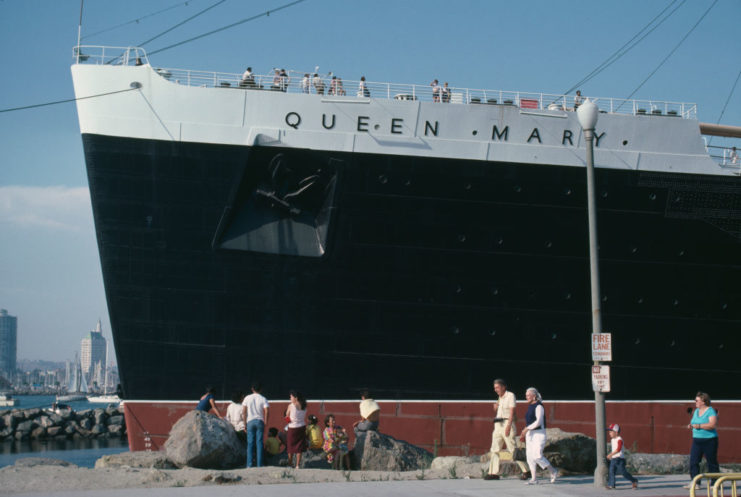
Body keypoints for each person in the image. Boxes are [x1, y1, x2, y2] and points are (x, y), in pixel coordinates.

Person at [484, 379, 529, 480]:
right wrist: (495, 408)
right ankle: (493, 473)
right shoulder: (499, 397)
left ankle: (526, 470)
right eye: (494, 388)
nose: (495, 390)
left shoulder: (510, 395)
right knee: (494, 449)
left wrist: (509, 426)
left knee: (512, 449)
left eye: (497, 387)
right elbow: (498, 410)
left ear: (503, 387)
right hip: (497, 425)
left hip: (507, 423)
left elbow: (512, 411)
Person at [519, 387, 558, 485]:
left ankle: (553, 471)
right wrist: (524, 431)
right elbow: (529, 422)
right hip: (530, 434)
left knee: (537, 456)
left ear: (534, 396)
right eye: (526, 395)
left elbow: (539, 422)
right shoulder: (530, 406)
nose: (526, 397)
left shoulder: (539, 406)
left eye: (528, 395)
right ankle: (534, 478)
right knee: (530, 457)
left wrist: (527, 428)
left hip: (539, 434)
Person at [686, 391, 718, 489]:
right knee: (693, 461)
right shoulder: (696, 411)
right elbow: (694, 423)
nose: (695, 402)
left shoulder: (710, 411)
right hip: (697, 440)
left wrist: (699, 426)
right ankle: (696, 483)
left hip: (709, 440)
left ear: (703, 401)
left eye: (697, 400)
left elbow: (712, 425)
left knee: (711, 462)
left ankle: (715, 483)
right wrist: (690, 426)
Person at [242, 382, 269, 467]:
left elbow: (244, 411)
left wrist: (244, 423)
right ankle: (259, 464)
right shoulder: (263, 398)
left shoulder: (247, 398)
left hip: (250, 421)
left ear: (252, 389)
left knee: (250, 443)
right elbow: (267, 411)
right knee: (259, 443)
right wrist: (266, 422)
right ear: (260, 389)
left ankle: (249, 464)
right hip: (259, 421)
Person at [606, 423, 638, 490]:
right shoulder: (612, 440)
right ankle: (612, 485)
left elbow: (618, 449)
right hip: (613, 459)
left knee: (623, 473)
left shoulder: (619, 439)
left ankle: (634, 481)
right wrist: (611, 456)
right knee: (611, 471)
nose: (609, 433)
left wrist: (610, 455)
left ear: (616, 432)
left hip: (620, 459)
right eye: (609, 431)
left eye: (611, 431)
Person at [285, 390, 308, 469]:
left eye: (291, 396)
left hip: (293, 427)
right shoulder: (304, 406)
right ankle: (298, 465)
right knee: (299, 446)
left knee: (290, 447)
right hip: (301, 427)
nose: (290, 398)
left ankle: (290, 464)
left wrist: (289, 421)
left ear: (296, 398)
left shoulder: (291, 405)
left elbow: (286, 417)